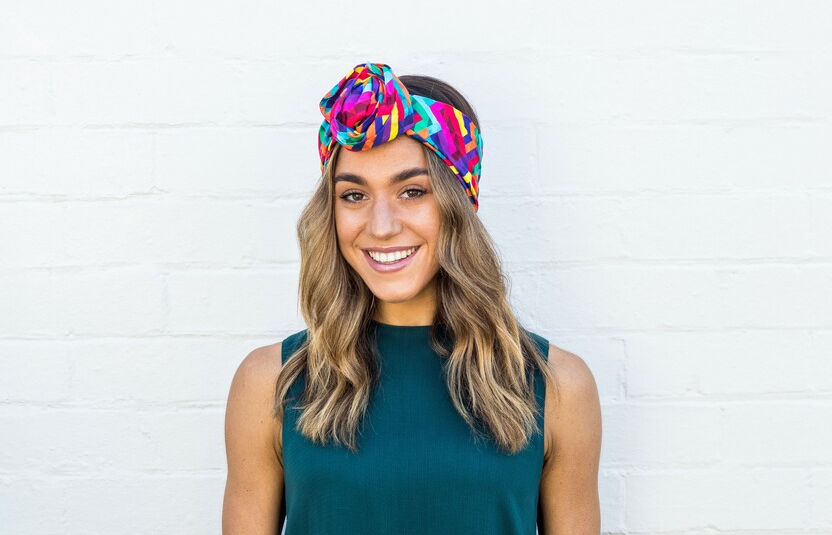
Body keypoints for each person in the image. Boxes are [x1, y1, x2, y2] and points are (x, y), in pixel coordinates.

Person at [222, 62, 602, 534]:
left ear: (458, 203)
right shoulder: (270, 384)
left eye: (412, 191)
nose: (381, 226)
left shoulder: (557, 386)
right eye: (354, 195)